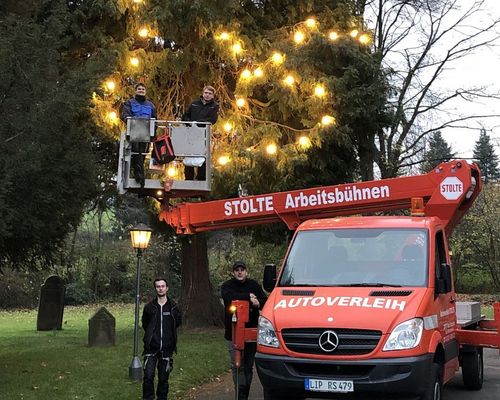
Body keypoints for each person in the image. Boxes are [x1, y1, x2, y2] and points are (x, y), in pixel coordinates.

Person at [221, 261, 267, 400]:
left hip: (251, 333)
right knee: (237, 366)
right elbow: (229, 297)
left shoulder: (254, 285)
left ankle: (244, 393)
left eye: (242, 269)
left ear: (246, 271)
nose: (239, 272)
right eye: (237, 270)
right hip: (233, 333)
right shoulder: (227, 286)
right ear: (233, 272)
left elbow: (265, 301)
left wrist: (258, 302)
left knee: (248, 366)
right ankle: (240, 394)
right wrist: (249, 297)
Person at [141, 278, 182, 400]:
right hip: (151, 348)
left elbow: (177, 322)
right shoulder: (149, 307)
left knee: (164, 378)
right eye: (158, 286)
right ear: (155, 289)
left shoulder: (173, 307)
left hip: (167, 348)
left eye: (163, 286)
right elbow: (145, 324)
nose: (160, 288)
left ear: (167, 288)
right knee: (148, 376)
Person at [120, 83, 157, 187]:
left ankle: (139, 175)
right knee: (136, 154)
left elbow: (155, 119)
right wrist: (129, 121)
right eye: (139, 89)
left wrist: (153, 133)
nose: (141, 90)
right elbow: (124, 115)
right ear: (135, 91)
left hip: (146, 134)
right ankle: (139, 176)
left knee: (143, 155)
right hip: (133, 133)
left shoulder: (151, 105)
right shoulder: (129, 103)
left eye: (143, 89)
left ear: (145, 91)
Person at [181, 85, 219, 180]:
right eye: (206, 93)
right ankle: (188, 180)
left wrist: (198, 123)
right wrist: (190, 123)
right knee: (189, 157)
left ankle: (201, 179)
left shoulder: (214, 106)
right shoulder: (194, 104)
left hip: (203, 136)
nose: (207, 95)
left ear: (213, 96)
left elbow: (212, 119)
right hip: (190, 135)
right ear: (203, 93)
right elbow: (185, 116)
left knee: (203, 158)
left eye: (210, 93)